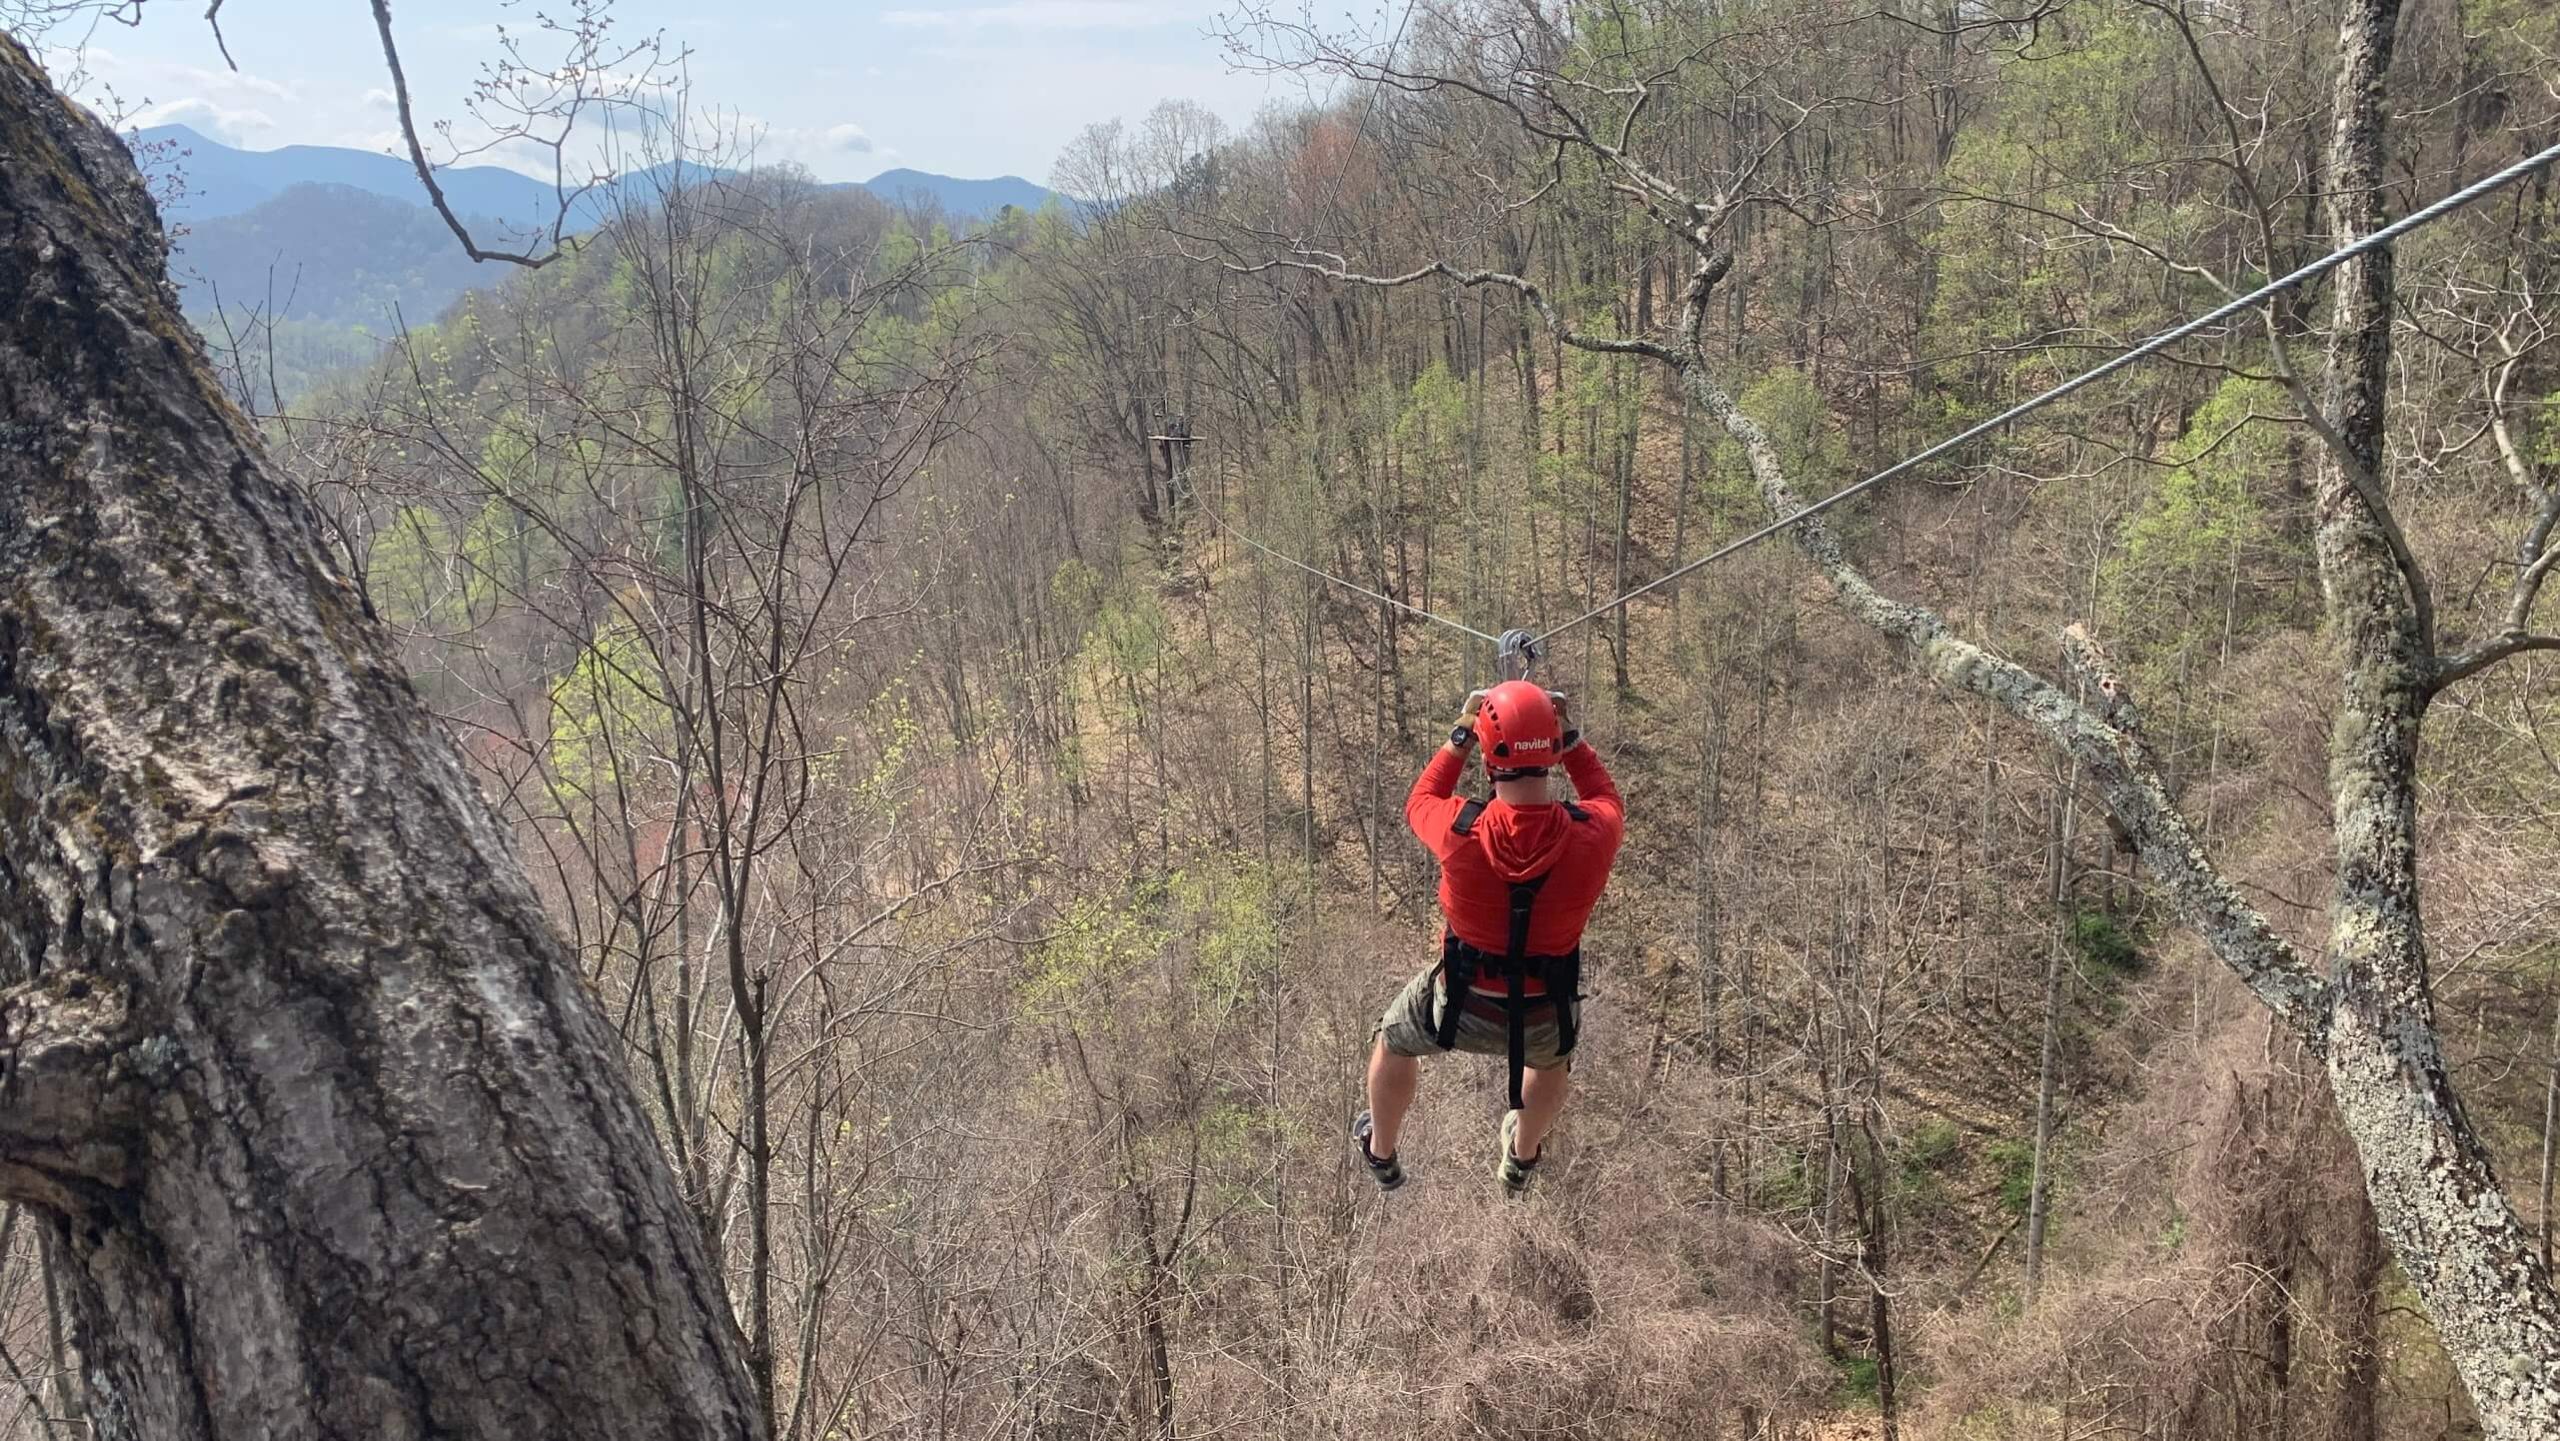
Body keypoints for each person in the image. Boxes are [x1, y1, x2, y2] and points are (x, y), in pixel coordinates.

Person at [1353, 680, 1625, 1196]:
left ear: (1487, 758)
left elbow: (1420, 799)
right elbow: (1606, 797)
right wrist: (1568, 737)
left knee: (1393, 1039)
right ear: (1550, 754)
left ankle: (1381, 1150)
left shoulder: (1460, 831)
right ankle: (1521, 1154)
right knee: (1553, 1060)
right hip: (1544, 1010)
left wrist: (1463, 730)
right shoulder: (1594, 835)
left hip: (1459, 1004)